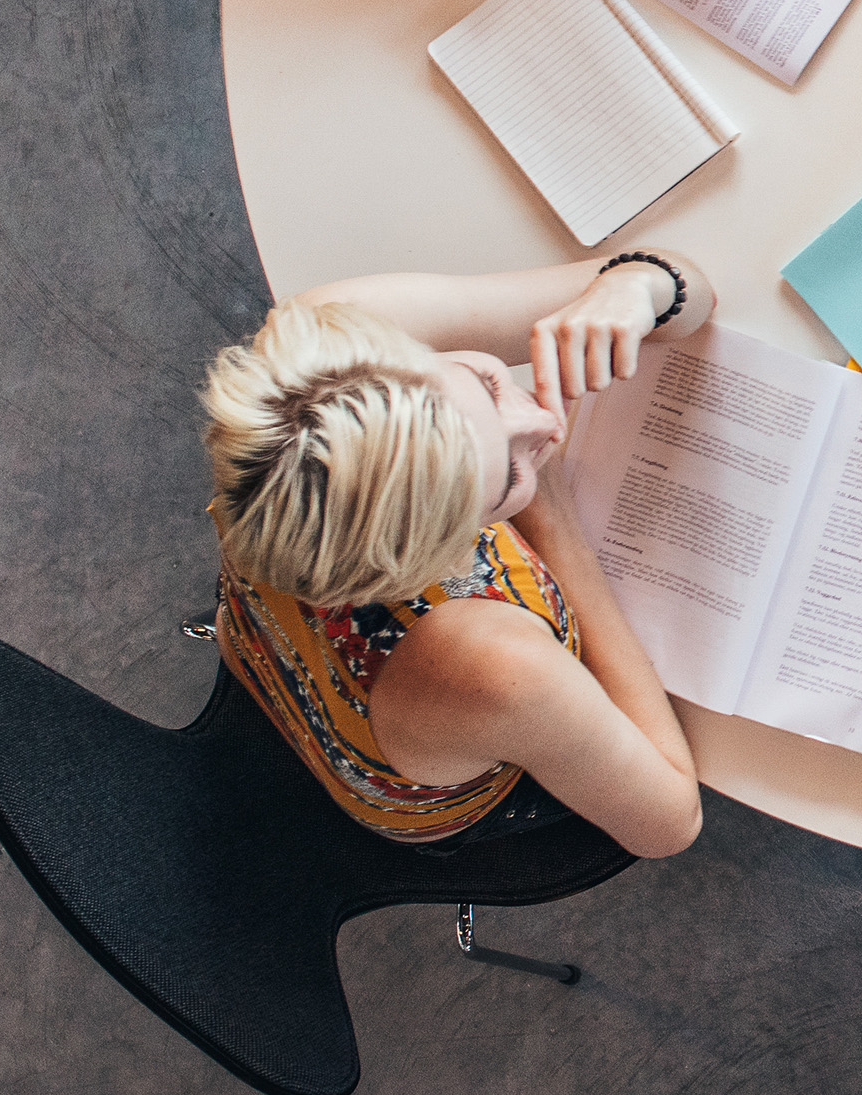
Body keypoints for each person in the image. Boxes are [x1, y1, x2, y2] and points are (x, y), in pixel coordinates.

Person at [200, 248, 709, 855]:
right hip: (422, 777)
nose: (545, 423)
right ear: (438, 559)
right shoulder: (497, 665)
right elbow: (671, 824)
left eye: (487, 382)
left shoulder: (332, 343)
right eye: (506, 479)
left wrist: (637, 288)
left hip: (265, 642)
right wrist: (552, 516)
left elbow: (687, 286)